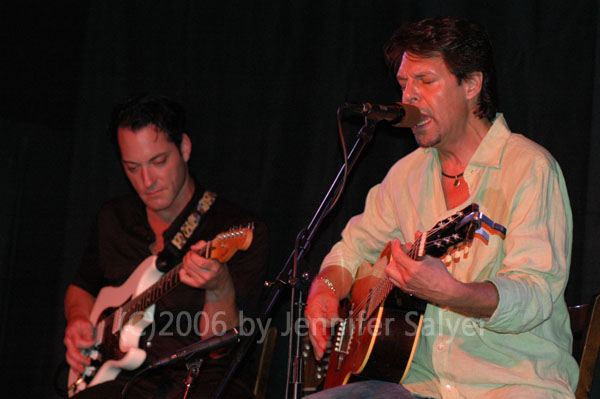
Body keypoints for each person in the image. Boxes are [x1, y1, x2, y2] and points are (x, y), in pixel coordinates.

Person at [305, 17, 578, 398]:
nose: (409, 97)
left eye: (426, 81)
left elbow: (535, 294)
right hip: (418, 386)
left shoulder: (530, 168)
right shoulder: (405, 176)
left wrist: (454, 293)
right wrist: (326, 290)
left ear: (471, 84)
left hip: (512, 384)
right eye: (403, 84)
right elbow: (351, 250)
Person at [63, 94, 268, 398]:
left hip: (199, 378)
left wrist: (219, 287)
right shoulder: (114, 218)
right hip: (120, 380)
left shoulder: (232, 227)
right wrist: (79, 320)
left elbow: (222, 349)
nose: (147, 181)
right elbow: (80, 287)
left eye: (158, 162)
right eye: (132, 167)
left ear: (184, 148)